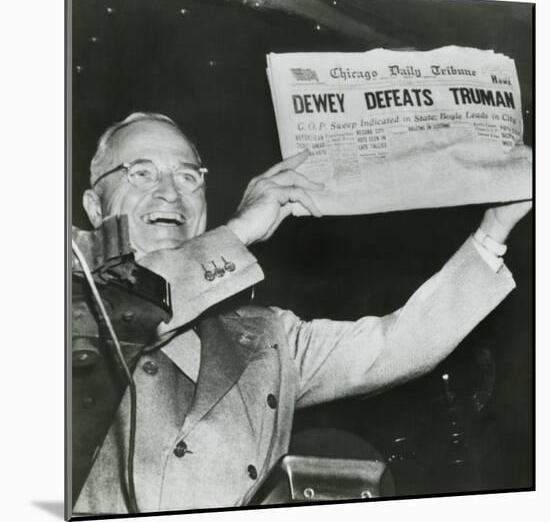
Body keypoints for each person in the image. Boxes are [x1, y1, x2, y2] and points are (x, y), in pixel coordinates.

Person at [74, 112, 531, 514]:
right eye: (141, 173)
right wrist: (238, 233)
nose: (170, 193)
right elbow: (125, 313)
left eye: (188, 176)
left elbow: (395, 345)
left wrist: (496, 226)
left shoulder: (262, 333)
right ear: (94, 207)